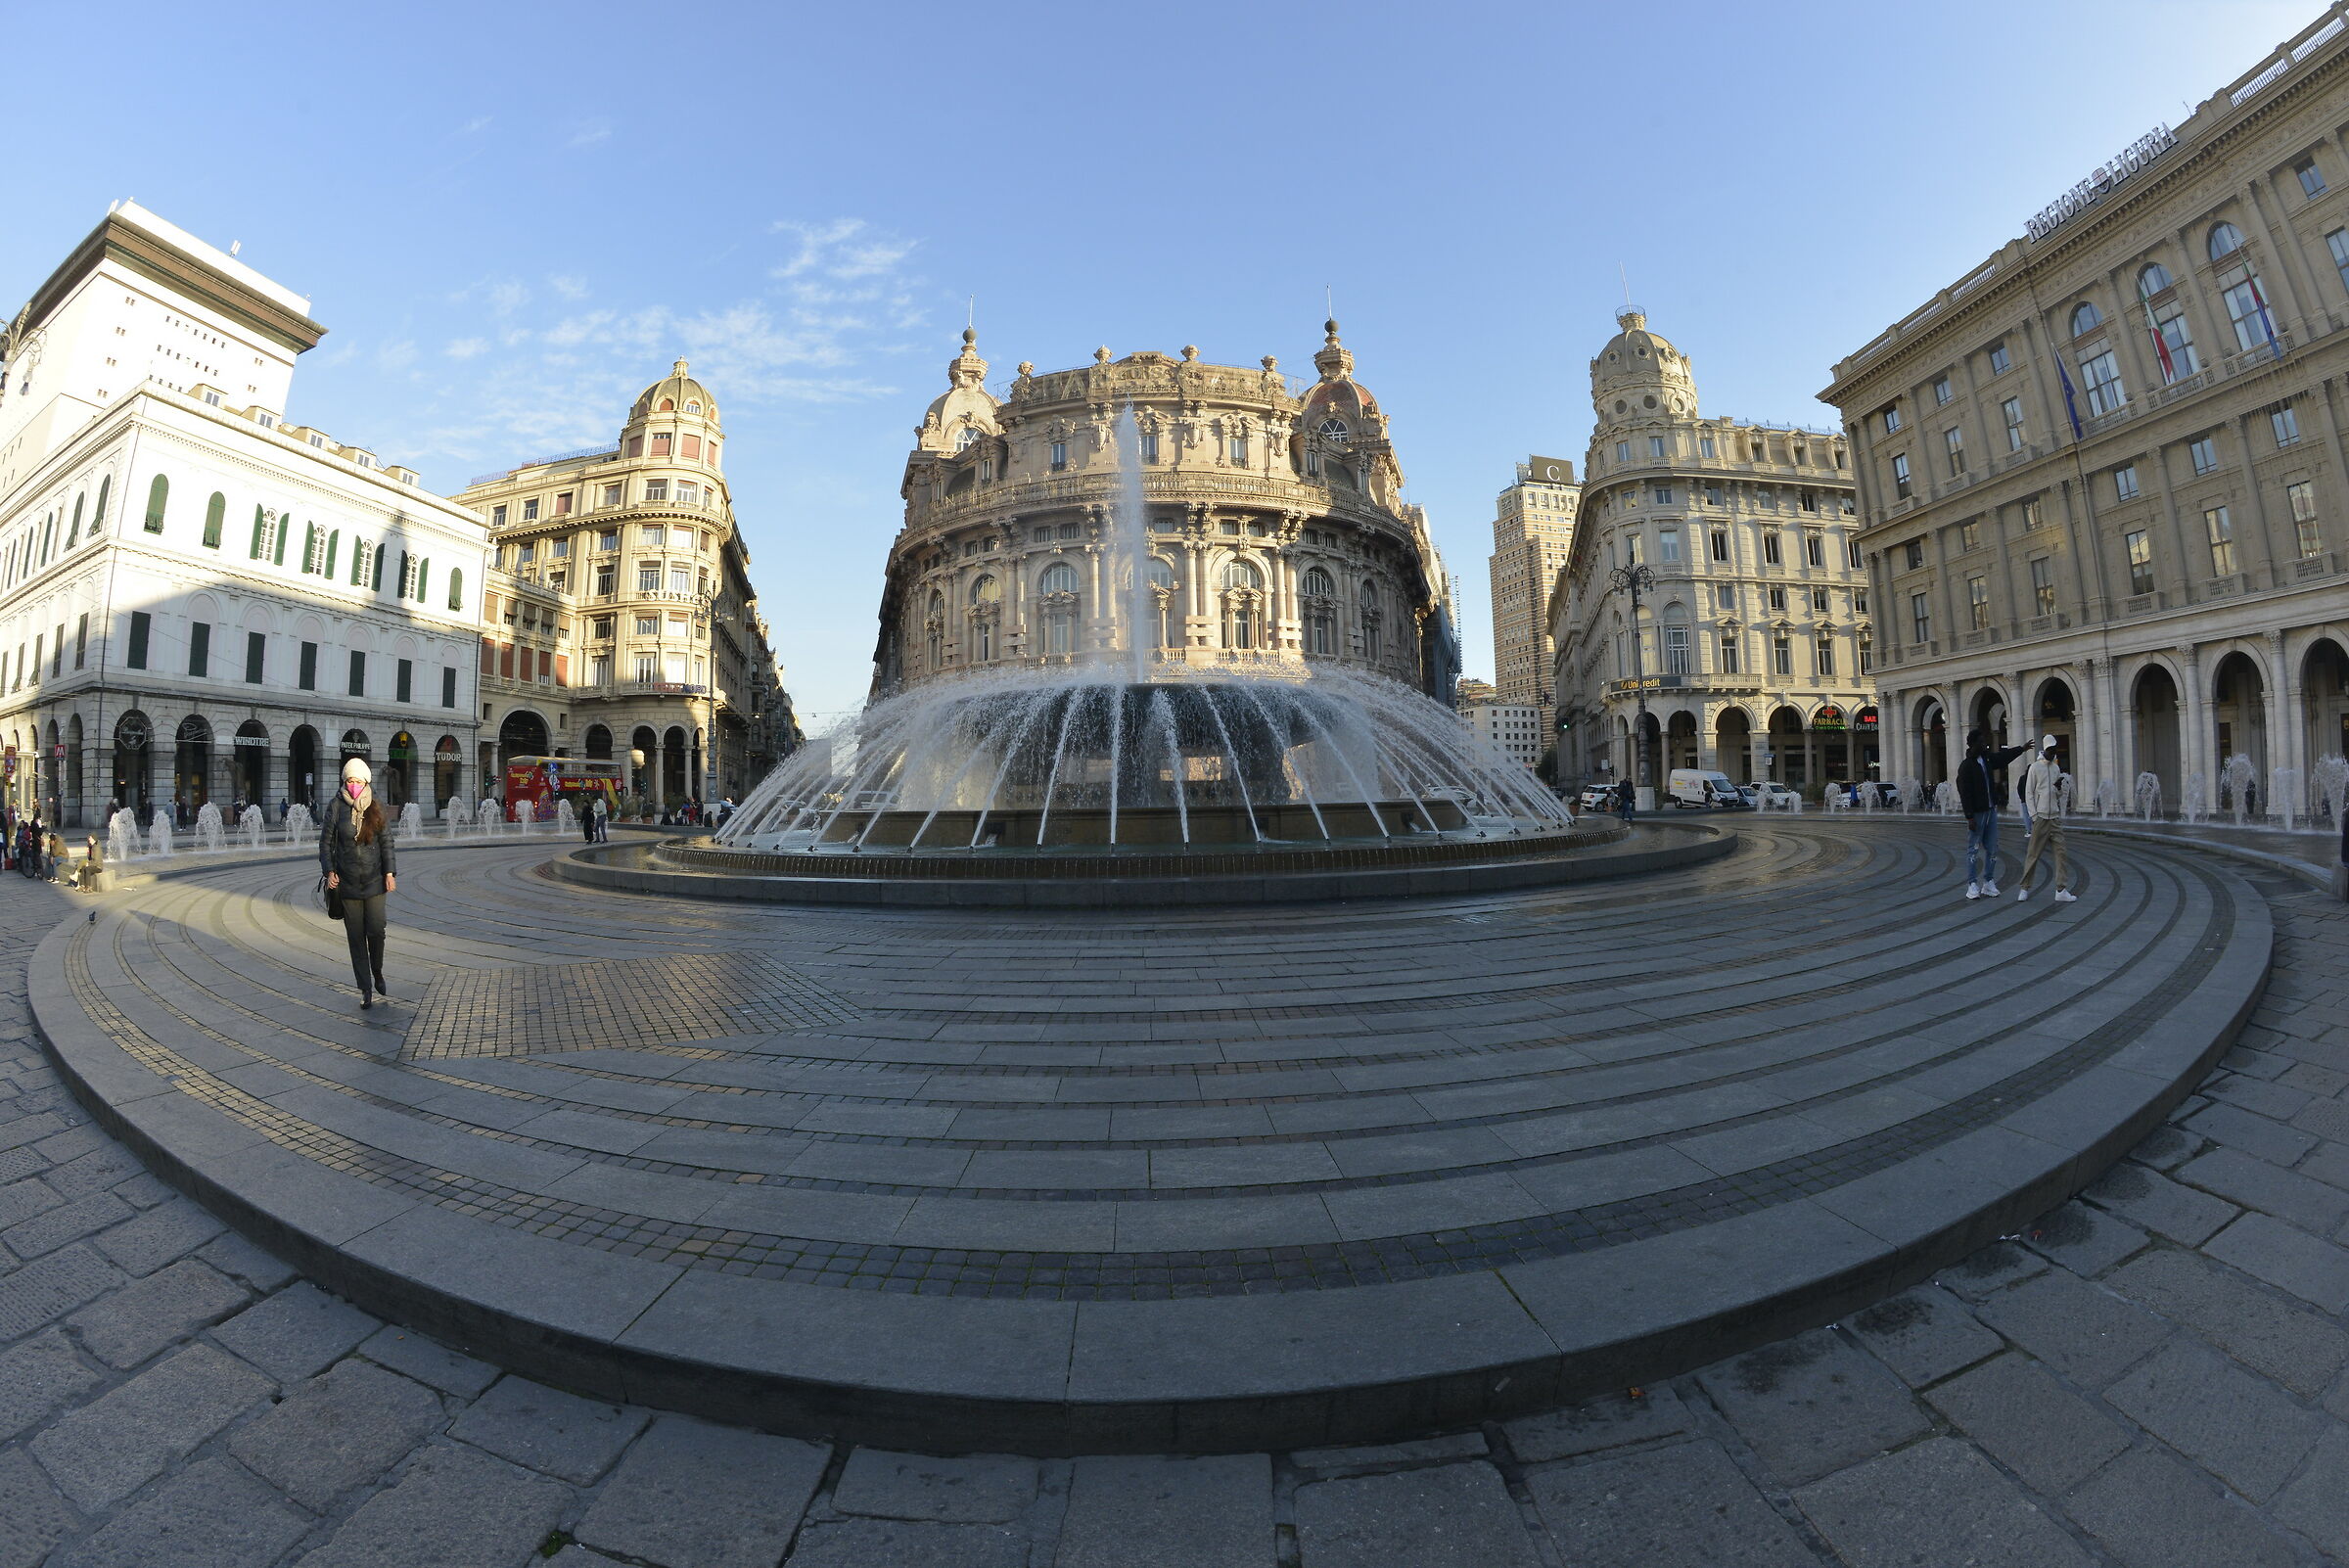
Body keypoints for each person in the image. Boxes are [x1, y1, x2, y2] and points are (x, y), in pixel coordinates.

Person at [320, 758, 397, 1010]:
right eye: (349, 780)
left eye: (357, 781)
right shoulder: (335, 806)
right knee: (355, 938)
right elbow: (326, 843)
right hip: (348, 883)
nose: (353, 784)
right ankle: (365, 988)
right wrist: (329, 870)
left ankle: (377, 971)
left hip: (375, 880)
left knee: (376, 931)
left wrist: (389, 873)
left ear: (366, 782)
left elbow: (387, 842)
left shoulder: (376, 806)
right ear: (345, 781)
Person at [1956, 728, 2033, 900]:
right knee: (1973, 849)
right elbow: (1964, 792)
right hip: (1977, 813)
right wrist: (1969, 816)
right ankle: (1972, 884)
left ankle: (1988, 882)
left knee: (1992, 848)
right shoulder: (1966, 766)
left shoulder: (1987, 759)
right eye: (1982, 742)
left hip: (1991, 811)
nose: (1985, 744)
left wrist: (2021, 748)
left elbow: (2003, 757)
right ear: (1973, 744)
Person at [2016, 734, 2077, 903]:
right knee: (2033, 854)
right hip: (2041, 817)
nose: (2053, 752)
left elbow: (2057, 794)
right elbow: (2029, 793)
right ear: (2045, 749)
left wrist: (2058, 789)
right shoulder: (2035, 768)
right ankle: (2024, 887)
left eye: (2055, 749)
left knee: (2061, 853)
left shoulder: (2055, 768)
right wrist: (2034, 816)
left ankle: (2061, 889)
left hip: (2055, 817)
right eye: (2051, 750)